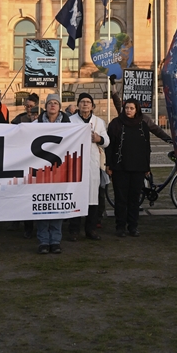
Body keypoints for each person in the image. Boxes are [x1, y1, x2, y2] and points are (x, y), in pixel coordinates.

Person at [66, 93, 109, 242]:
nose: (85, 104)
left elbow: (107, 141)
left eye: (88, 102)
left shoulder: (99, 122)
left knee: (93, 198)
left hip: (92, 164)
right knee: (75, 196)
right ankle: (74, 230)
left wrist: (98, 138)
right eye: (82, 102)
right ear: (78, 105)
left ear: (92, 106)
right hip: (75, 162)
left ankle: (90, 229)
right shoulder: (70, 121)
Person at [106, 98, 151, 240]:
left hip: (138, 167)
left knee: (134, 198)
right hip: (120, 167)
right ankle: (120, 226)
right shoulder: (116, 124)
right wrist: (109, 165)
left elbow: (147, 147)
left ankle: (133, 226)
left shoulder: (143, 125)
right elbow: (110, 146)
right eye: (126, 108)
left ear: (136, 110)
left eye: (131, 108)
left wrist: (147, 166)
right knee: (121, 198)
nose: (128, 111)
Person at [33, 94, 70, 252]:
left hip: (61, 169)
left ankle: (55, 240)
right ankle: (43, 241)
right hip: (41, 170)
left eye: (55, 103)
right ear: (46, 106)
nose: (53, 105)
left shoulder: (70, 124)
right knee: (42, 204)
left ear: (60, 107)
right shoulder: (36, 123)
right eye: (50, 103)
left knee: (56, 204)